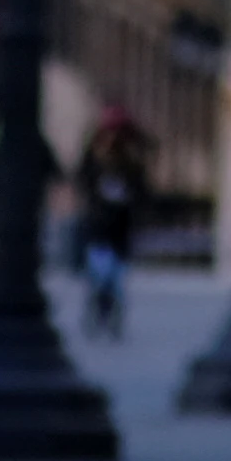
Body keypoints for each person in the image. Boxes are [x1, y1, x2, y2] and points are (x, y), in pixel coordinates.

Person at [75, 114, 147, 341]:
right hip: (99, 230)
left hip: (119, 232)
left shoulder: (131, 167)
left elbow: (141, 195)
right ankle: (99, 313)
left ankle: (110, 316)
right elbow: (82, 180)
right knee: (100, 278)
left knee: (114, 282)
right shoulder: (93, 164)